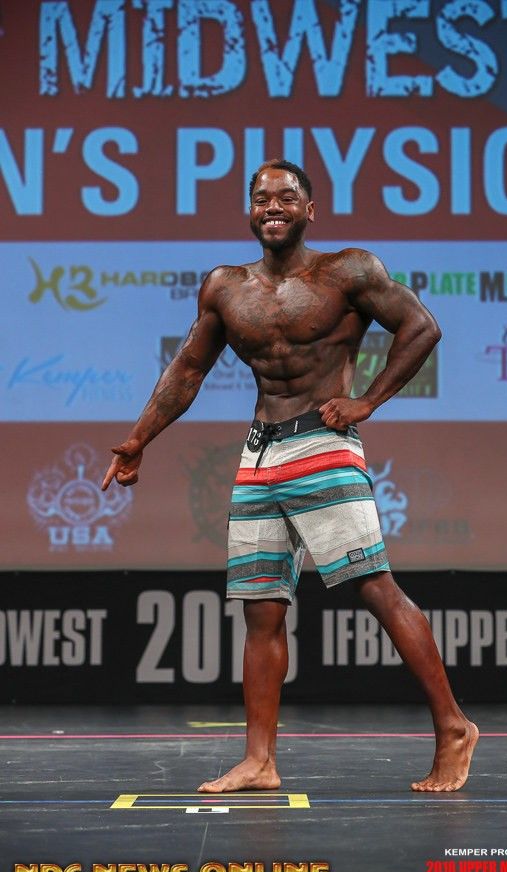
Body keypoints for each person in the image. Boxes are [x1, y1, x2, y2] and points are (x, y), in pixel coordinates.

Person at [102, 159, 478, 794]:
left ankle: (453, 726)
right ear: (249, 211)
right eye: (261, 199)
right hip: (259, 454)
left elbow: (422, 327)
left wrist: (367, 401)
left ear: (310, 210)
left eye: (285, 197)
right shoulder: (225, 286)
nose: (271, 207)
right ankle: (260, 760)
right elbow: (188, 368)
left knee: (375, 587)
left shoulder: (348, 271)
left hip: (323, 446)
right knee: (262, 608)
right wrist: (139, 439)